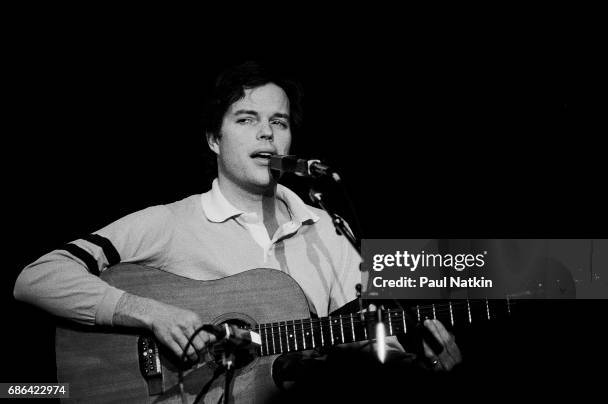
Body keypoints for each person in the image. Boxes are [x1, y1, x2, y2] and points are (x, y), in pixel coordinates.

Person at [14, 61, 460, 395]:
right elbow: (36, 279)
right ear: (214, 138)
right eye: (247, 119)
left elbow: (363, 340)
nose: (266, 134)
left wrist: (411, 362)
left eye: (278, 123)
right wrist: (151, 312)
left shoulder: (326, 228)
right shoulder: (169, 222)